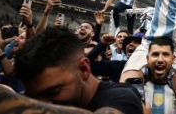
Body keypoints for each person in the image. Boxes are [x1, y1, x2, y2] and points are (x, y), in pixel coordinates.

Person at [14, 28, 143, 113]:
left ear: (83, 69)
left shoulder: (123, 98)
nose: (41, 105)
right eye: (32, 98)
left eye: (53, 92)